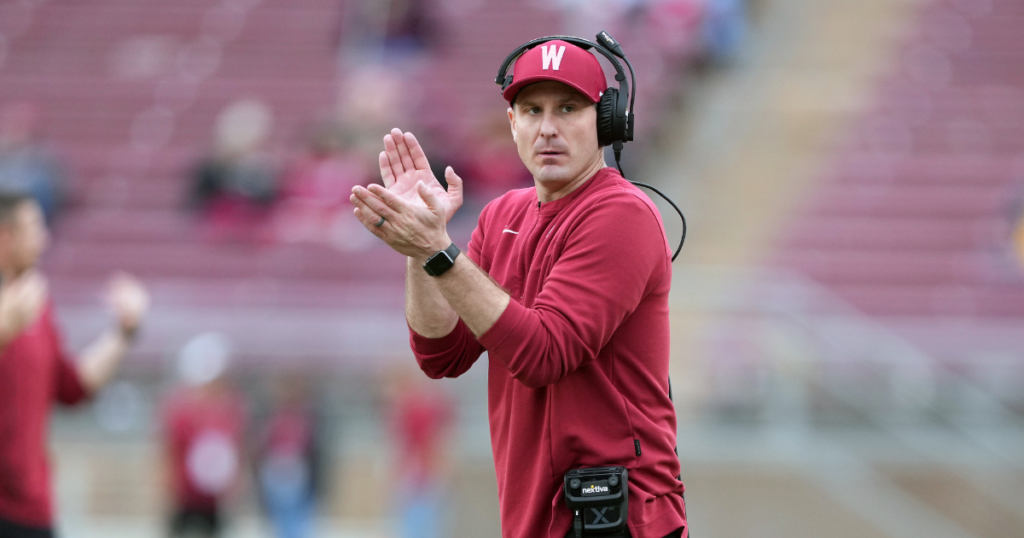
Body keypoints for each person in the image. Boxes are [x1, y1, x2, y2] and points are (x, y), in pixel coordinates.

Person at [350, 37, 687, 538]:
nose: (547, 127)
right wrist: (421, 251)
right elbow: (442, 355)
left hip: (617, 516)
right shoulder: (501, 214)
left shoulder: (622, 215)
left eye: (568, 108)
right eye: (531, 110)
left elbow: (544, 354)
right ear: (513, 124)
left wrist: (440, 253)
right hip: (534, 513)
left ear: (606, 120)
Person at [0, 192, 149, 538]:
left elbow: (71, 386)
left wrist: (124, 332)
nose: (44, 239)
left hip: (32, 508)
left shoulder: (35, 306)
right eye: (35, 228)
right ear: (5, 236)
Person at [161, 332, 248, 538]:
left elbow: (237, 450)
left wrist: (236, 487)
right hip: (185, 496)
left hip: (215, 500)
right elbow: (170, 452)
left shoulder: (230, 409)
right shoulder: (181, 410)